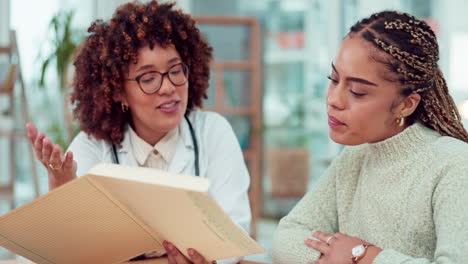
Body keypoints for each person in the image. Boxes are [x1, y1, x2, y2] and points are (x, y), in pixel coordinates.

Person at [26, 1, 251, 264]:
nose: (168, 87)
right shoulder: (92, 147)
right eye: (148, 78)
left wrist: (212, 260)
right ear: (119, 90)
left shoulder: (213, 132)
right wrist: (62, 189)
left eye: (176, 70)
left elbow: (236, 232)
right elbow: (61, 251)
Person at [272, 10, 468, 264]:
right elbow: (286, 239)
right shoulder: (353, 159)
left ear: (406, 105)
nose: (334, 100)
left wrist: (365, 256)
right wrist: (337, 258)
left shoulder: (455, 165)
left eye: (357, 92)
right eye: (333, 79)